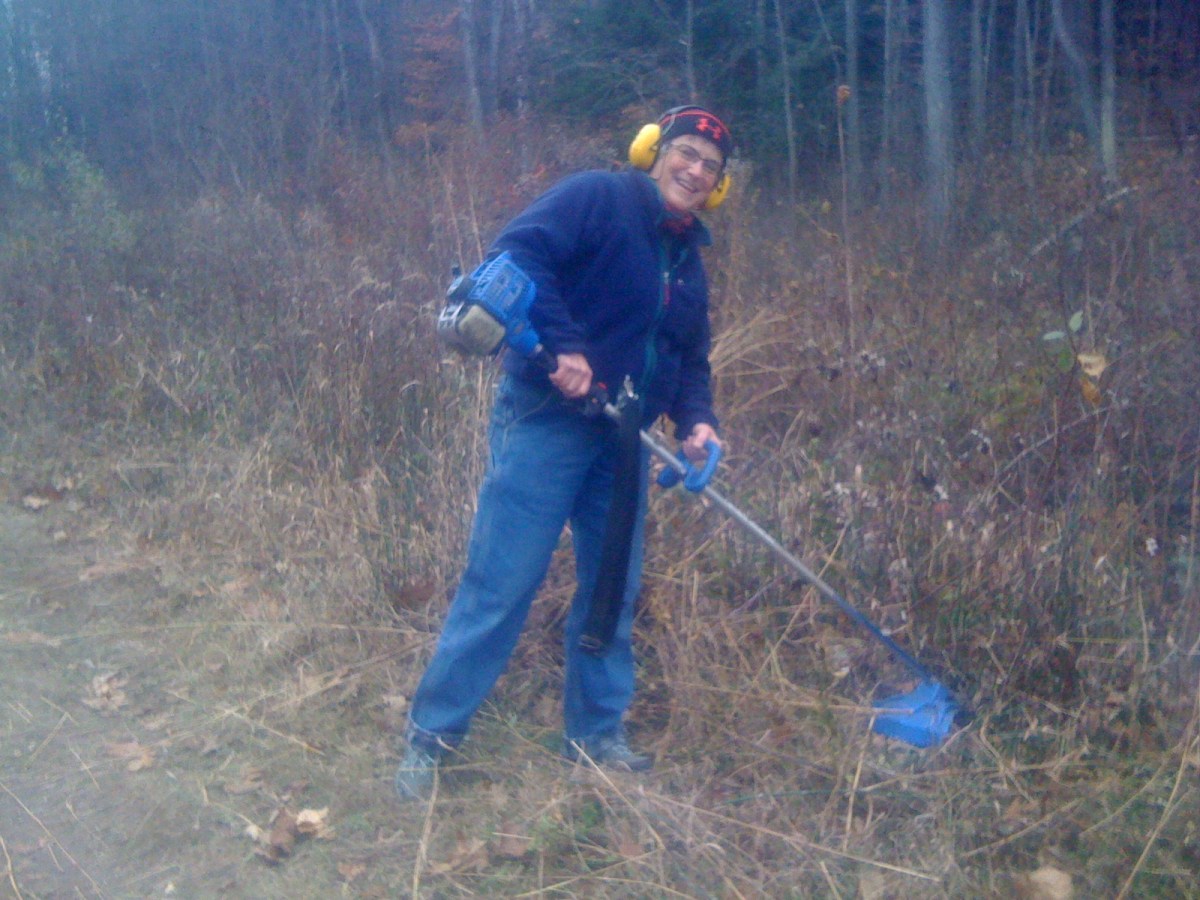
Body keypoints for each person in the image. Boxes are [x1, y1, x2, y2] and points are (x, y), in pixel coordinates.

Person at [396, 106, 734, 800]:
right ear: (654, 151)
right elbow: (517, 253)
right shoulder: (597, 196)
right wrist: (564, 344)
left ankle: (595, 734)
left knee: (612, 589)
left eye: (711, 167)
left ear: (718, 186)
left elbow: (688, 356)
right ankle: (431, 739)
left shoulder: (688, 260)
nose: (696, 171)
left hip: (625, 436)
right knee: (503, 580)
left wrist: (696, 422)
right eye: (688, 153)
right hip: (550, 418)